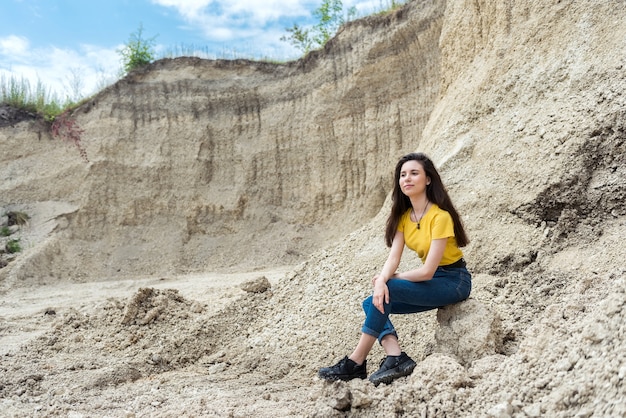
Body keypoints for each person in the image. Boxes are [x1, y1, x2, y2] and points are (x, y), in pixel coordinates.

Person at [318, 152, 472, 386]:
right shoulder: (403, 217)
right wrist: (382, 278)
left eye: (414, 173)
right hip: (434, 282)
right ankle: (395, 356)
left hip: (454, 281)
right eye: (402, 175)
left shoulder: (440, 217)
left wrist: (389, 280)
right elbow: (393, 258)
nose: (406, 179)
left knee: (386, 288)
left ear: (428, 179)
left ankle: (355, 362)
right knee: (372, 302)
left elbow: (427, 272)